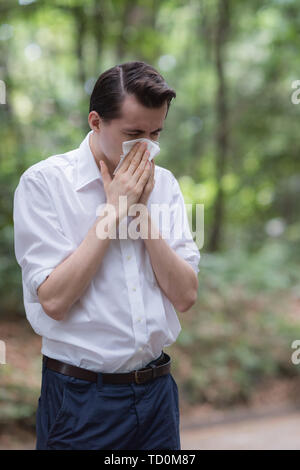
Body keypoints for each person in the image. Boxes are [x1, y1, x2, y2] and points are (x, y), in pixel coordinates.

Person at [13, 61, 200, 450]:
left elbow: (185, 296)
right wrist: (113, 211)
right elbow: (54, 299)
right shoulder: (44, 184)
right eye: (133, 133)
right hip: (81, 400)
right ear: (96, 122)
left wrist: (140, 212)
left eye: (155, 134)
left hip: (158, 396)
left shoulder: (164, 184)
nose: (145, 147)